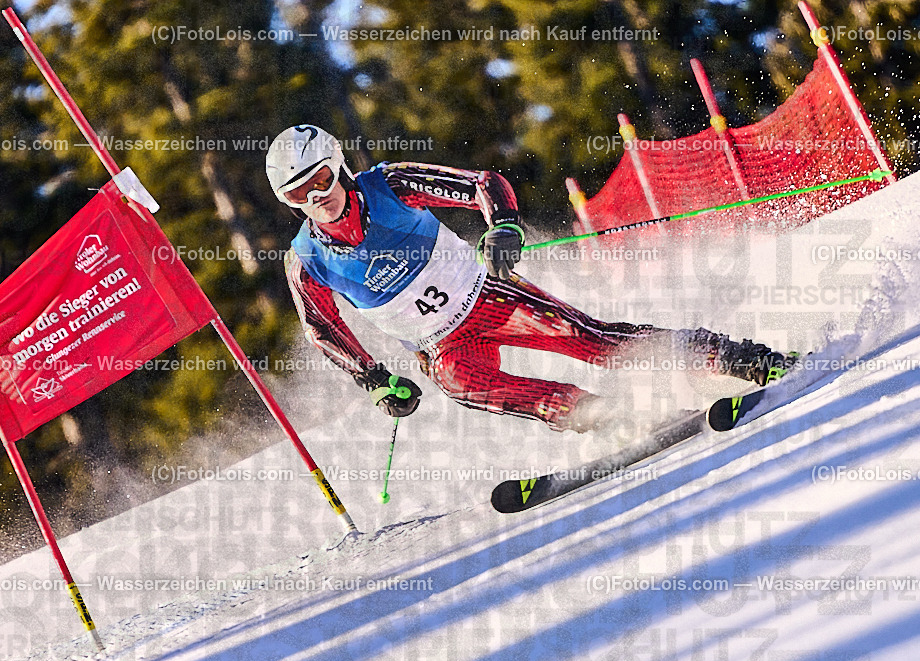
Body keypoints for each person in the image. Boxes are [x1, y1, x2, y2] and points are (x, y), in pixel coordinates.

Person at [266, 125, 791, 432]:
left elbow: (481, 184)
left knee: (595, 342)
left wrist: (503, 226)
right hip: (442, 345)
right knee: (459, 384)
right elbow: (323, 328)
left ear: (339, 166)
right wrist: (375, 380)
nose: (317, 198)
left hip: (488, 298)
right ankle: (613, 420)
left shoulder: (391, 185)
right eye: (298, 194)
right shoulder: (306, 260)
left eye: (322, 180)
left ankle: (739, 359)